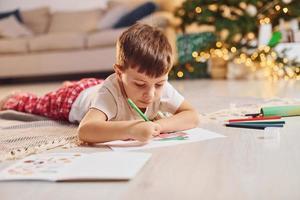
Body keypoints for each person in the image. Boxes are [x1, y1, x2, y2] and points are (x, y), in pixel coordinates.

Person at [0, 23, 200, 143]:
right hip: (74, 99)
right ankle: (16, 97)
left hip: (96, 88)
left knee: (98, 90)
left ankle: (70, 84)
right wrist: (131, 129)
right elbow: (86, 131)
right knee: (38, 103)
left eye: (158, 84)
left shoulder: (158, 85)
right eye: (139, 84)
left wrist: (161, 125)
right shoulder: (110, 92)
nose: (151, 94)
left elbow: (192, 116)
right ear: (119, 72)